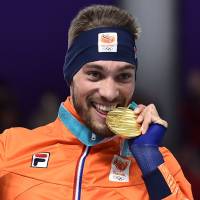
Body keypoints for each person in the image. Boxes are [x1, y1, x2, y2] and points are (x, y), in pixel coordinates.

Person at [0, 4, 193, 200]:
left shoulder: (157, 162)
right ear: (70, 75)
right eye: (94, 74)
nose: (109, 93)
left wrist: (149, 159)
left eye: (123, 76)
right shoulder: (11, 149)